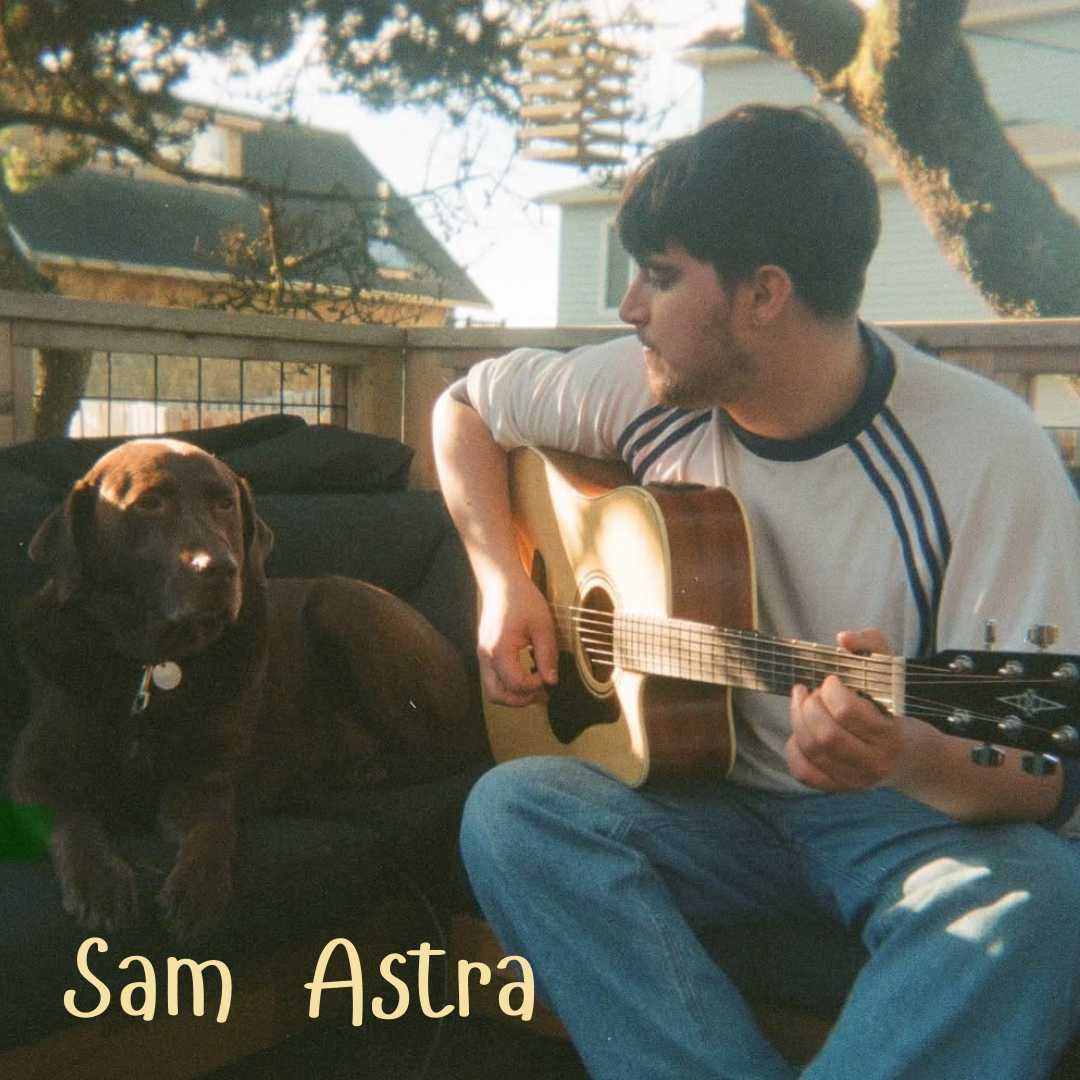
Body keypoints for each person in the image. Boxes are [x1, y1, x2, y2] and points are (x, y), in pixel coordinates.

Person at [431, 103, 1080, 1080]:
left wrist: (900, 748)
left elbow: (1046, 770)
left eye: (659, 276)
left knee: (1041, 898)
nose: (628, 310)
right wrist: (498, 584)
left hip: (906, 821)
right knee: (514, 814)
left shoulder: (983, 450)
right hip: (705, 804)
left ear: (764, 294)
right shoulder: (643, 385)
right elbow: (461, 409)